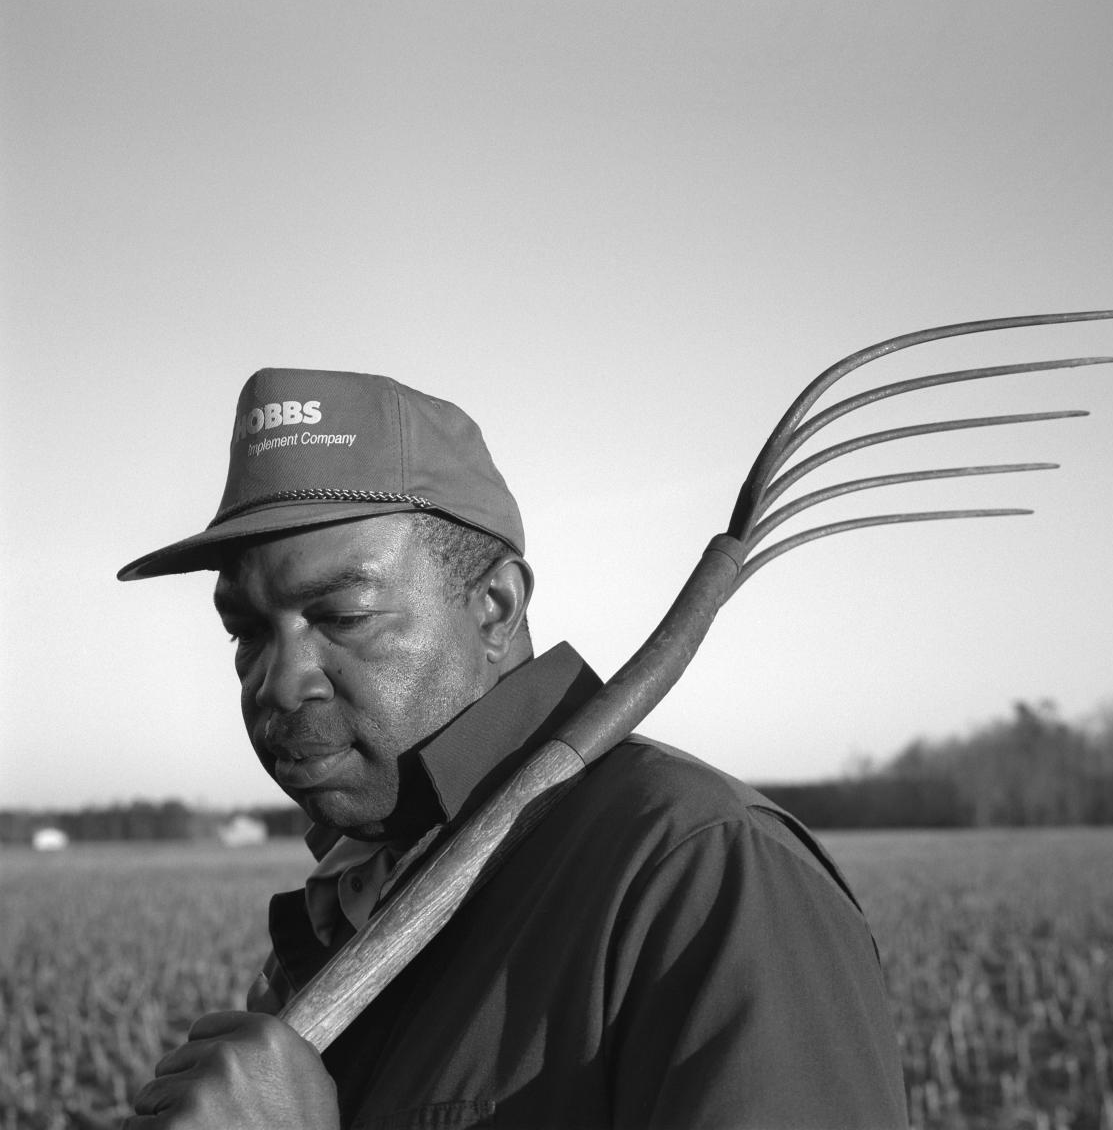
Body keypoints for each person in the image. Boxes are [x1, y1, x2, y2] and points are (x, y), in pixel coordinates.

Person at [118, 366, 909, 1130]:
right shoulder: (342, 908)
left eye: (342, 615)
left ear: (495, 607)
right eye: (247, 632)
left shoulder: (699, 872)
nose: (281, 682)